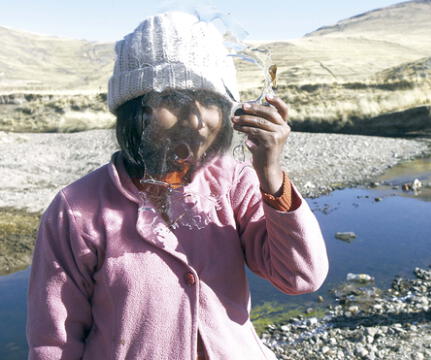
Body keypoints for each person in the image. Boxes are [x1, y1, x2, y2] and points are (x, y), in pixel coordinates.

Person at [26, 12, 329, 360]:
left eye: (211, 102)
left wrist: (271, 175)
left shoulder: (233, 184)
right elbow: (55, 342)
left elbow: (300, 276)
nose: (199, 121)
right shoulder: (77, 210)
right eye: (174, 100)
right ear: (134, 110)